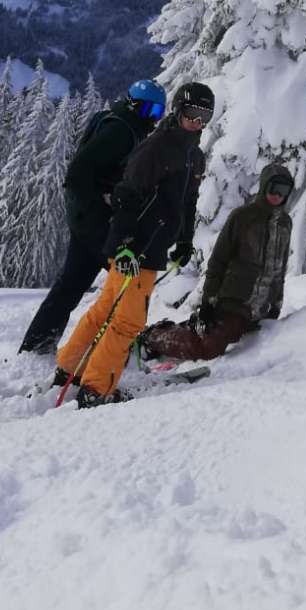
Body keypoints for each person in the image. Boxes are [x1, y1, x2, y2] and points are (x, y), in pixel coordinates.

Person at [55, 81, 213, 408]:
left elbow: (187, 201)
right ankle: (97, 389)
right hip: (137, 248)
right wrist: (124, 245)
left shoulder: (191, 156)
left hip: (152, 247)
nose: (197, 123)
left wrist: (184, 239)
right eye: (192, 114)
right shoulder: (158, 147)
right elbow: (127, 195)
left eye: (204, 117)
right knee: (127, 321)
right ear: (179, 111)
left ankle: (70, 367)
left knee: (104, 309)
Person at [18, 79, 167, 356]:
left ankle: (37, 345)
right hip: (95, 220)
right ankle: (111, 351)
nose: (152, 119)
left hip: (85, 220)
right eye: (148, 110)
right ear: (134, 104)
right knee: (126, 282)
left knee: (72, 282)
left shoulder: (121, 122)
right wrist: (100, 207)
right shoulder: (121, 131)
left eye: (157, 112)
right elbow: (77, 173)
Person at [140, 161, 294, 365]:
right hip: (234, 301)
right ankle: (153, 337)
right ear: (265, 186)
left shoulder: (285, 223)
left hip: (261, 308)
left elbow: (279, 270)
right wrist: (208, 302)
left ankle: (193, 327)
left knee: (229, 335)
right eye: (273, 188)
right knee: (209, 348)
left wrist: (276, 305)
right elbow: (218, 261)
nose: (277, 194)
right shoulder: (243, 217)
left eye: (283, 190)